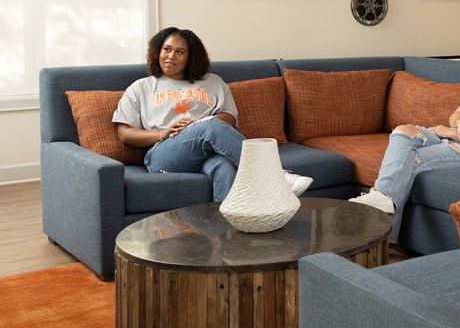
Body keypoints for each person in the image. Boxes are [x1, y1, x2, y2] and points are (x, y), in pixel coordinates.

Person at [350, 44, 460, 244]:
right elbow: (456, 114)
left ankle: (384, 231)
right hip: (451, 133)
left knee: (408, 160)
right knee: (402, 131)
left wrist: (451, 132)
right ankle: (384, 198)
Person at [113, 27, 312, 202]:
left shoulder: (213, 82)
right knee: (209, 127)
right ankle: (275, 177)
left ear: (191, 57)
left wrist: (201, 126)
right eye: (167, 49)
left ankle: (226, 229)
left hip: (207, 150)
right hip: (163, 153)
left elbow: (229, 117)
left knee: (224, 167)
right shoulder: (142, 87)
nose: (171, 56)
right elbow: (125, 134)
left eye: (180, 52)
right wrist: (162, 133)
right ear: (158, 51)